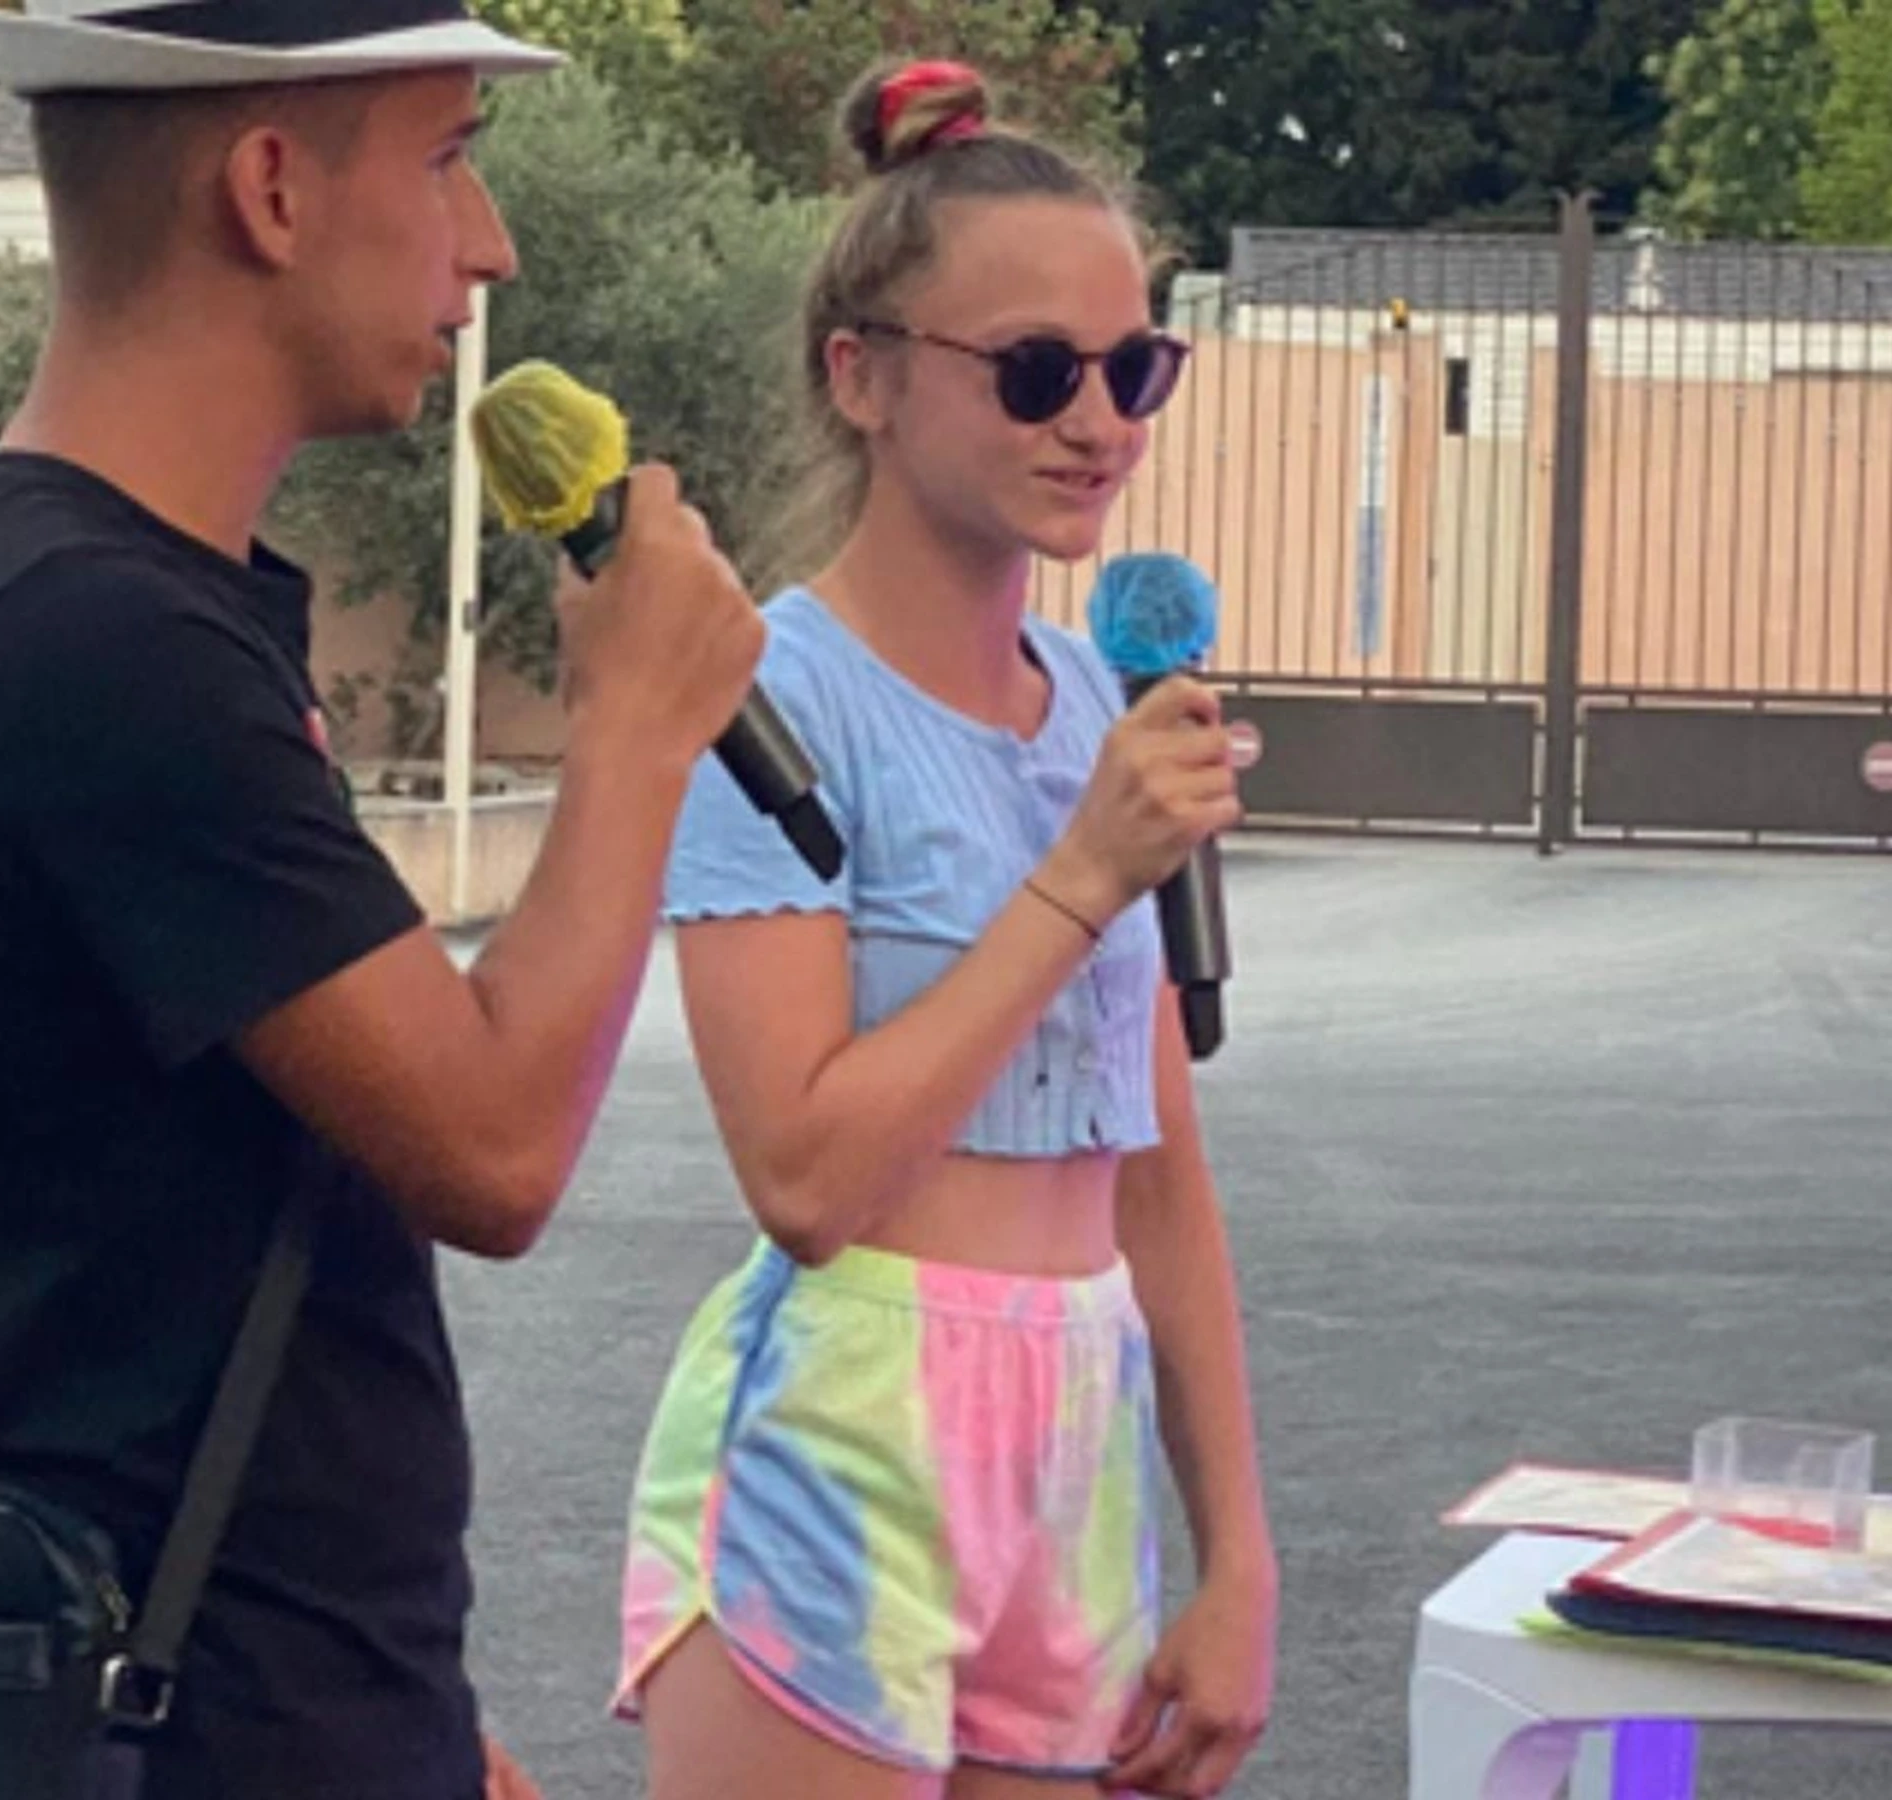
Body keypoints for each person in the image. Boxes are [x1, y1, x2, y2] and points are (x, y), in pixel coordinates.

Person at [0, 2, 763, 1796]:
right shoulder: (101, 641)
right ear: (268, 188)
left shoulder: (69, 601)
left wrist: (404, 1714)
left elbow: (156, 1244)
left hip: (243, 1693)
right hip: (204, 1729)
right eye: (449, 159)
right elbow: (493, 1146)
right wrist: (637, 728)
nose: (490, 245)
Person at [612, 60, 1278, 1800]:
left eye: (1135, 369)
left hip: (1079, 1438)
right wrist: (1081, 880)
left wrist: (1240, 1558)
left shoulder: (1101, 706)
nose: (1100, 423)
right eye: (1039, 370)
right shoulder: (769, 703)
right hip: (846, 1440)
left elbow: (1158, 1172)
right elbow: (807, 1177)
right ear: (866, 377)